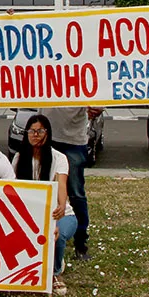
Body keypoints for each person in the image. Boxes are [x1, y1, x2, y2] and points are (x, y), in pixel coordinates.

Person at [11, 114, 75, 296]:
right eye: (32, 131)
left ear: (47, 133)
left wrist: (61, 206)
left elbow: (61, 184)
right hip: (30, 214)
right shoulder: (19, 158)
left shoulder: (59, 158)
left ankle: (55, 272)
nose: (35, 135)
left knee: (58, 234)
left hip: (58, 214)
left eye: (40, 131)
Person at [38, 106, 100, 260]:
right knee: (40, 188)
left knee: (76, 192)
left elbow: (99, 98)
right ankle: (40, 236)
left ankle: (80, 242)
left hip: (73, 140)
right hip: (47, 135)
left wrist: (97, 108)